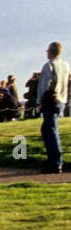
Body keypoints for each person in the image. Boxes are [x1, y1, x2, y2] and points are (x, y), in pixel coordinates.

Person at [38, 42, 70, 173]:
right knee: (48, 128)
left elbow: (46, 84)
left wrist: (40, 100)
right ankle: (54, 159)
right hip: (61, 98)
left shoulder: (49, 65)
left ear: (50, 51)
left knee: (50, 129)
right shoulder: (65, 65)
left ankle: (55, 161)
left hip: (50, 99)